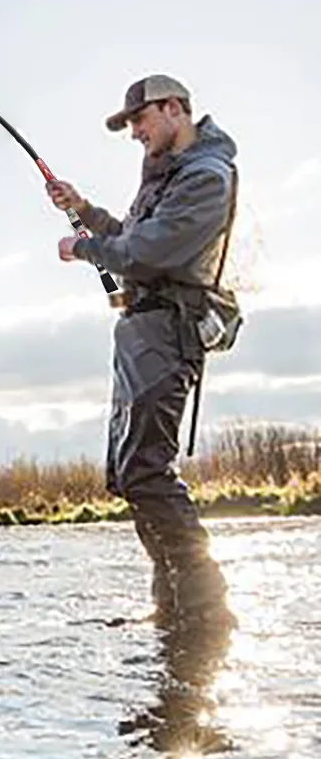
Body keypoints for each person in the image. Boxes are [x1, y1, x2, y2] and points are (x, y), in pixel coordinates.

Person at [47, 74, 237, 629]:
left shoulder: (206, 176)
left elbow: (148, 252)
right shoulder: (167, 177)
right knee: (132, 473)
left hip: (167, 331)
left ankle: (206, 609)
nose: (134, 132)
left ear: (173, 108)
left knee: (148, 471)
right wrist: (81, 208)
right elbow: (128, 235)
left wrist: (83, 247)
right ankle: (173, 605)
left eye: (140, 119)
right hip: (141, 335)